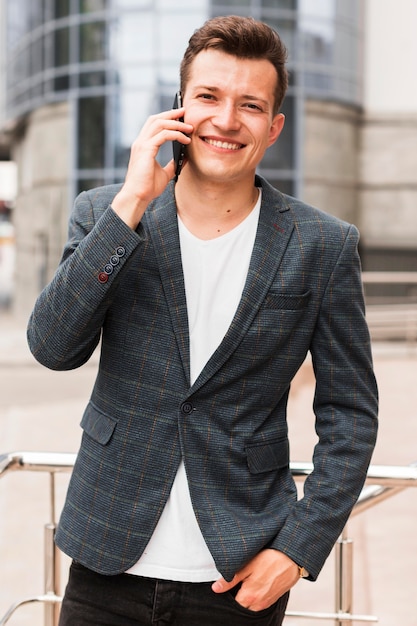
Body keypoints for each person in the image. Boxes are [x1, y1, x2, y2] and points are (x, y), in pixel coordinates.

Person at [27, 14, 378, 626]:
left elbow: (351, 414)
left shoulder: (322, 244)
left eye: (250, 105)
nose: (225, 119)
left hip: (238, 574)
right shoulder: (106, 213)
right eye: (209, 97)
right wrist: (131, 206)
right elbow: (54, 346)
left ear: (273, 128)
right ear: (179, 107)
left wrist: (297, 548)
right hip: (106, 561)